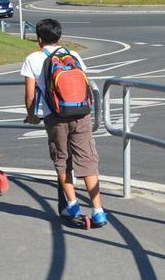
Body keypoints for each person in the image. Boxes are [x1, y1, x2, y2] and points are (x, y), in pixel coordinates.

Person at [21, 18, 107, 227]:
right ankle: (98, 211)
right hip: (81, 112)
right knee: (87, 160)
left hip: (55, 116)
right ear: (59, 36)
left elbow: (30, 94)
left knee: (62, 159)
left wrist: (31, 114)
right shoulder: (73, 54)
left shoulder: (33, 58)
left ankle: (73, 205)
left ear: (39, 39)